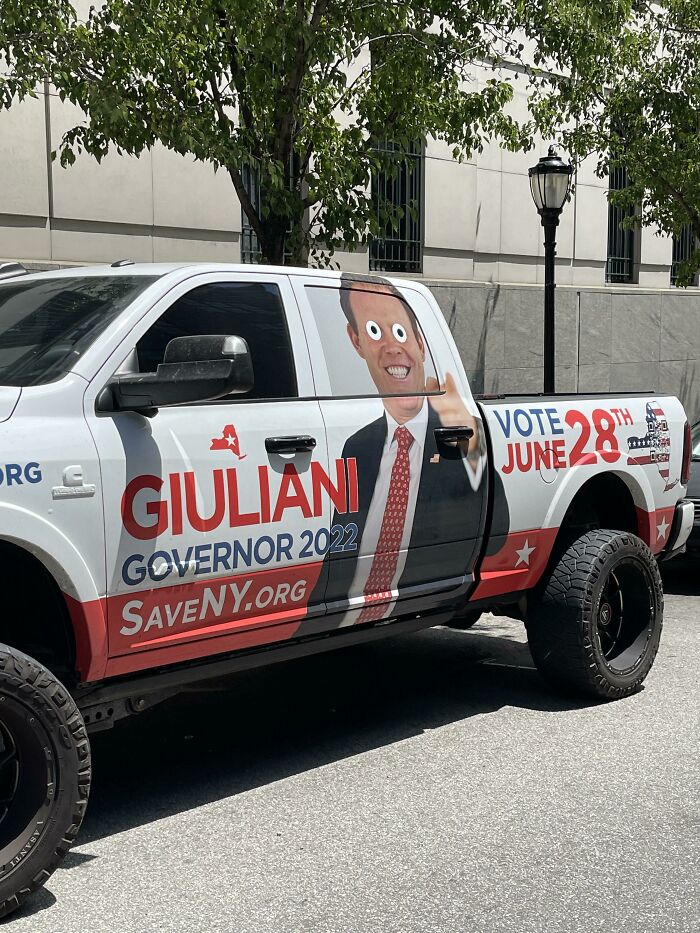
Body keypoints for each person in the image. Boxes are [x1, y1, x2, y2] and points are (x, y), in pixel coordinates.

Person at [301, 274, 509, 632]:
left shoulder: (458, 435)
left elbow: (499, 532)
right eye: (373, 332)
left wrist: (471, 443)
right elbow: (340, 554)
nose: (392, 347)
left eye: (400, 332)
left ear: (420, 342)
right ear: (357, 341)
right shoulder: (357, 446)